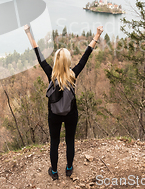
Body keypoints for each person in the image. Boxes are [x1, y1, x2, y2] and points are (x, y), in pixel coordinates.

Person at [24, 24, 104, 181]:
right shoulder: (73, 74)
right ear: (67, 61)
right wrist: (97, 35)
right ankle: (68, 168)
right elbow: (86, 56)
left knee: (54, 142)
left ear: (56, 61)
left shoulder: (50, 74)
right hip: (71, 114)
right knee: (70, 141)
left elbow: (38, 54)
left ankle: (54, 172)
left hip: (54, 115)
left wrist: (28, 33)